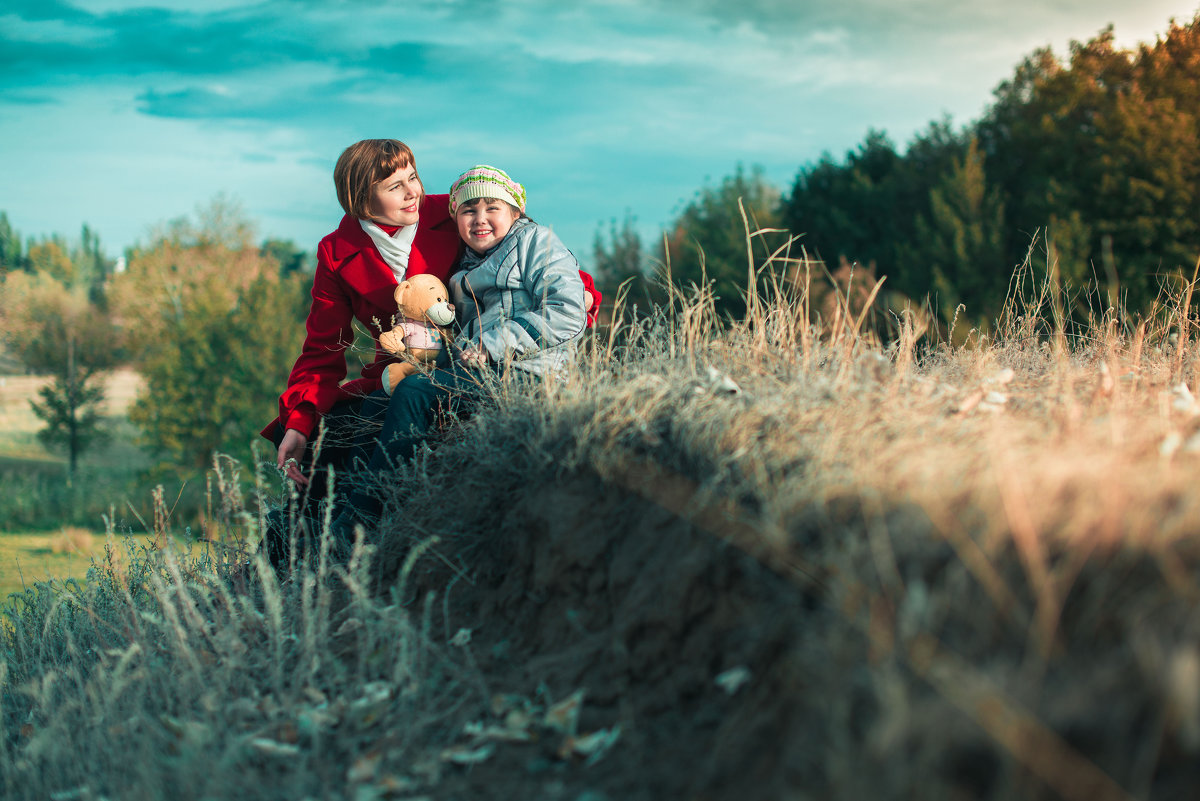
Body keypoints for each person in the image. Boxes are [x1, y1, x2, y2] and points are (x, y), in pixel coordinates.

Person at [261, 145, 596, 565]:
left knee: (391, 415)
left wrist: (587, 294)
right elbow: (323, 346)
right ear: (362, 198)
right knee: (323, 435)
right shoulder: (336, 251)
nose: (412, 192)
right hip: (397, 367)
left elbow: (528, 249)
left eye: (414, 177)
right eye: (395, 185)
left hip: (465, 365)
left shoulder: (452, 213)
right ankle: (284, 555)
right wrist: (300, 420)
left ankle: (355, 530)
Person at [328, 164, 590, 537]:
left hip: (529, 374)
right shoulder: (464, 266)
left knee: (415, 393)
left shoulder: (536, 242)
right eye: (468, 211)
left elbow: (567, 311)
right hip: (479, 374)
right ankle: (343, 510)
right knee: (375, 404)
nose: (479, 219)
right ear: (456, 218)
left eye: (492, 208)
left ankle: (364, 520)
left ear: (515, 211)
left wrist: (493, 343)